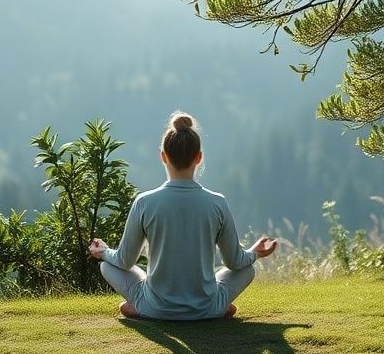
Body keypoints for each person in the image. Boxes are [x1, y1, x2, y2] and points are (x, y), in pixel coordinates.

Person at [89, 111, 277, 320]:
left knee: (107, 266)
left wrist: (103, 252)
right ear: (198, 157)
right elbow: (236, 262)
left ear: (163, 156)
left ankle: (141, 307)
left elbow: (124, 261)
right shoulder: (217, 202)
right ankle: (217, 306)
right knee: (248, 270)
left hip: (157, 309)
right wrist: (256, 253)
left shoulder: (145, 202)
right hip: (206, 308)